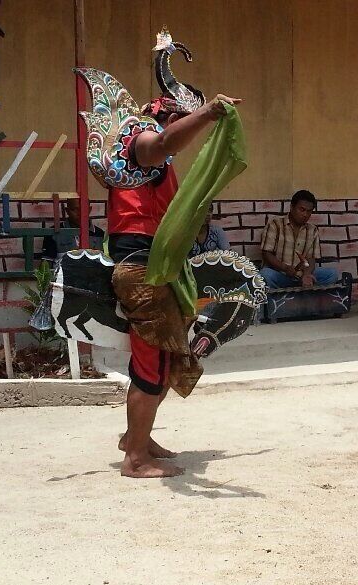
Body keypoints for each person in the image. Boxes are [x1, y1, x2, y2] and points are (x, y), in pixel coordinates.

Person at [79, 28, 242, 478]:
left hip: (157, 265)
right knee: (151, 361)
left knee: (164, 356)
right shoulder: (142, 143)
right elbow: (164, 144)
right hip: (140, 267)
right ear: (163, 114)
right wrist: (208, 113)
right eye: (179, 117)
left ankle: (138, 438)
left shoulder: (156, 160)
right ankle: (135, 458)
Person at [260, 189, 339, 288]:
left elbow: (311, 259)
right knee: (265, 275)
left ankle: (301, 294)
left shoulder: (312, 230)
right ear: (292, 207)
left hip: (301, 276)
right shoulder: (275, 224)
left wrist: (307, 275)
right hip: (280, 275)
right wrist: (285, 268)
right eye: (302, 210)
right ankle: (290, 295)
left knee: (332, 274)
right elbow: (266, 253)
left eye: (309, 211)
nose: (305, 215)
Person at [41, 197, 105, 262]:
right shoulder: (53, 233)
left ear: (89, 209)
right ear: (67, 211)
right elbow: (46, 264)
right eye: (75, 209)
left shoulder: (99, 234)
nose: (80, 213)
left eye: (84, 209)